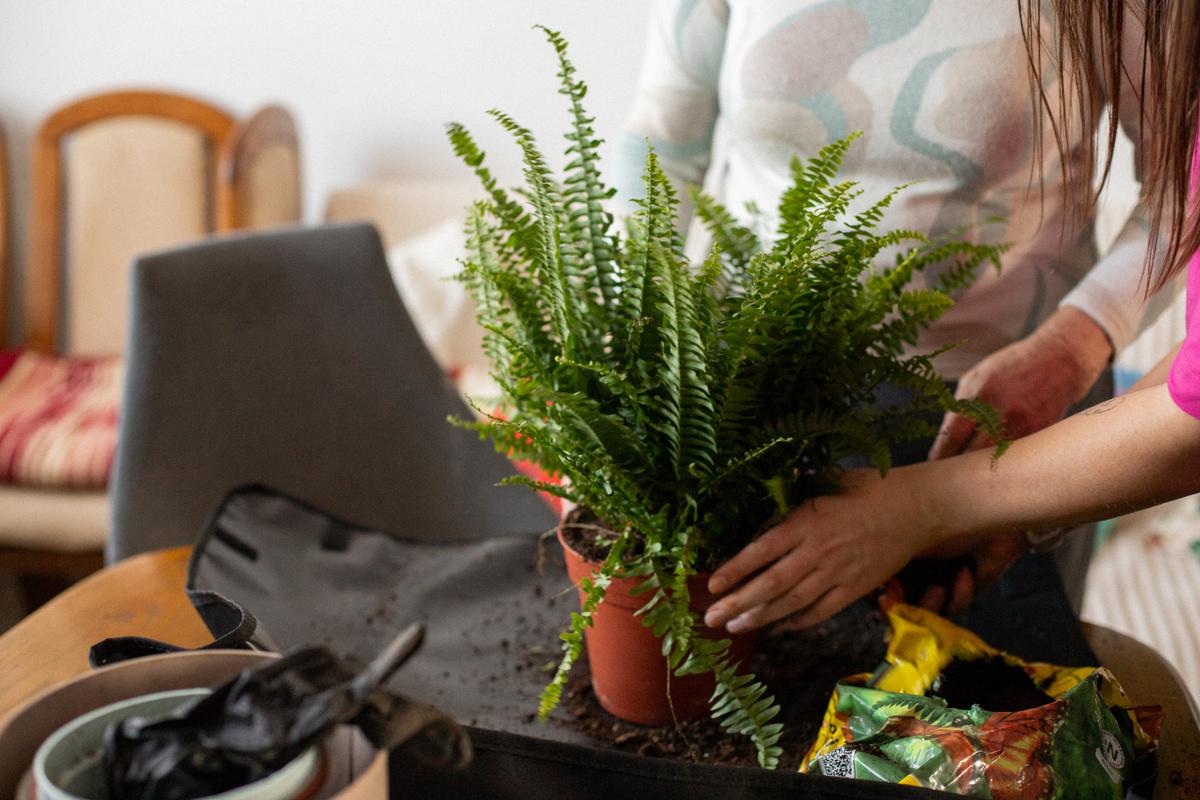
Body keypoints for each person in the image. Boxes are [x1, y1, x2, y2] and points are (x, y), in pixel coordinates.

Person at [695, 1, 1200, 633]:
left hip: (1006, 411)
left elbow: (1193, 405)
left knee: (998, 697)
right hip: (761, 396)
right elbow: (1192, 391)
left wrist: (1074, 346)